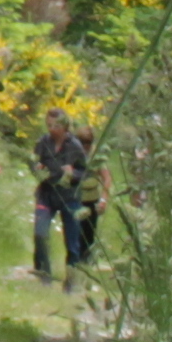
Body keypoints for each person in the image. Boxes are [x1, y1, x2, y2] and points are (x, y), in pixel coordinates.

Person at [35, 110, 102, 282]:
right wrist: (38, 168)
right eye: (49, 125)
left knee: (72, 242)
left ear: (65, 126)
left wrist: (73, 173)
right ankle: (44, 276)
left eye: (56, 126)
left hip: (70, 196)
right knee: (40, 233)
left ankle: (71, 280)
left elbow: (85, 172)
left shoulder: (75, 145)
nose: (52, 129)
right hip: (47, 193)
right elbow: (35, 161)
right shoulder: (43, 142)